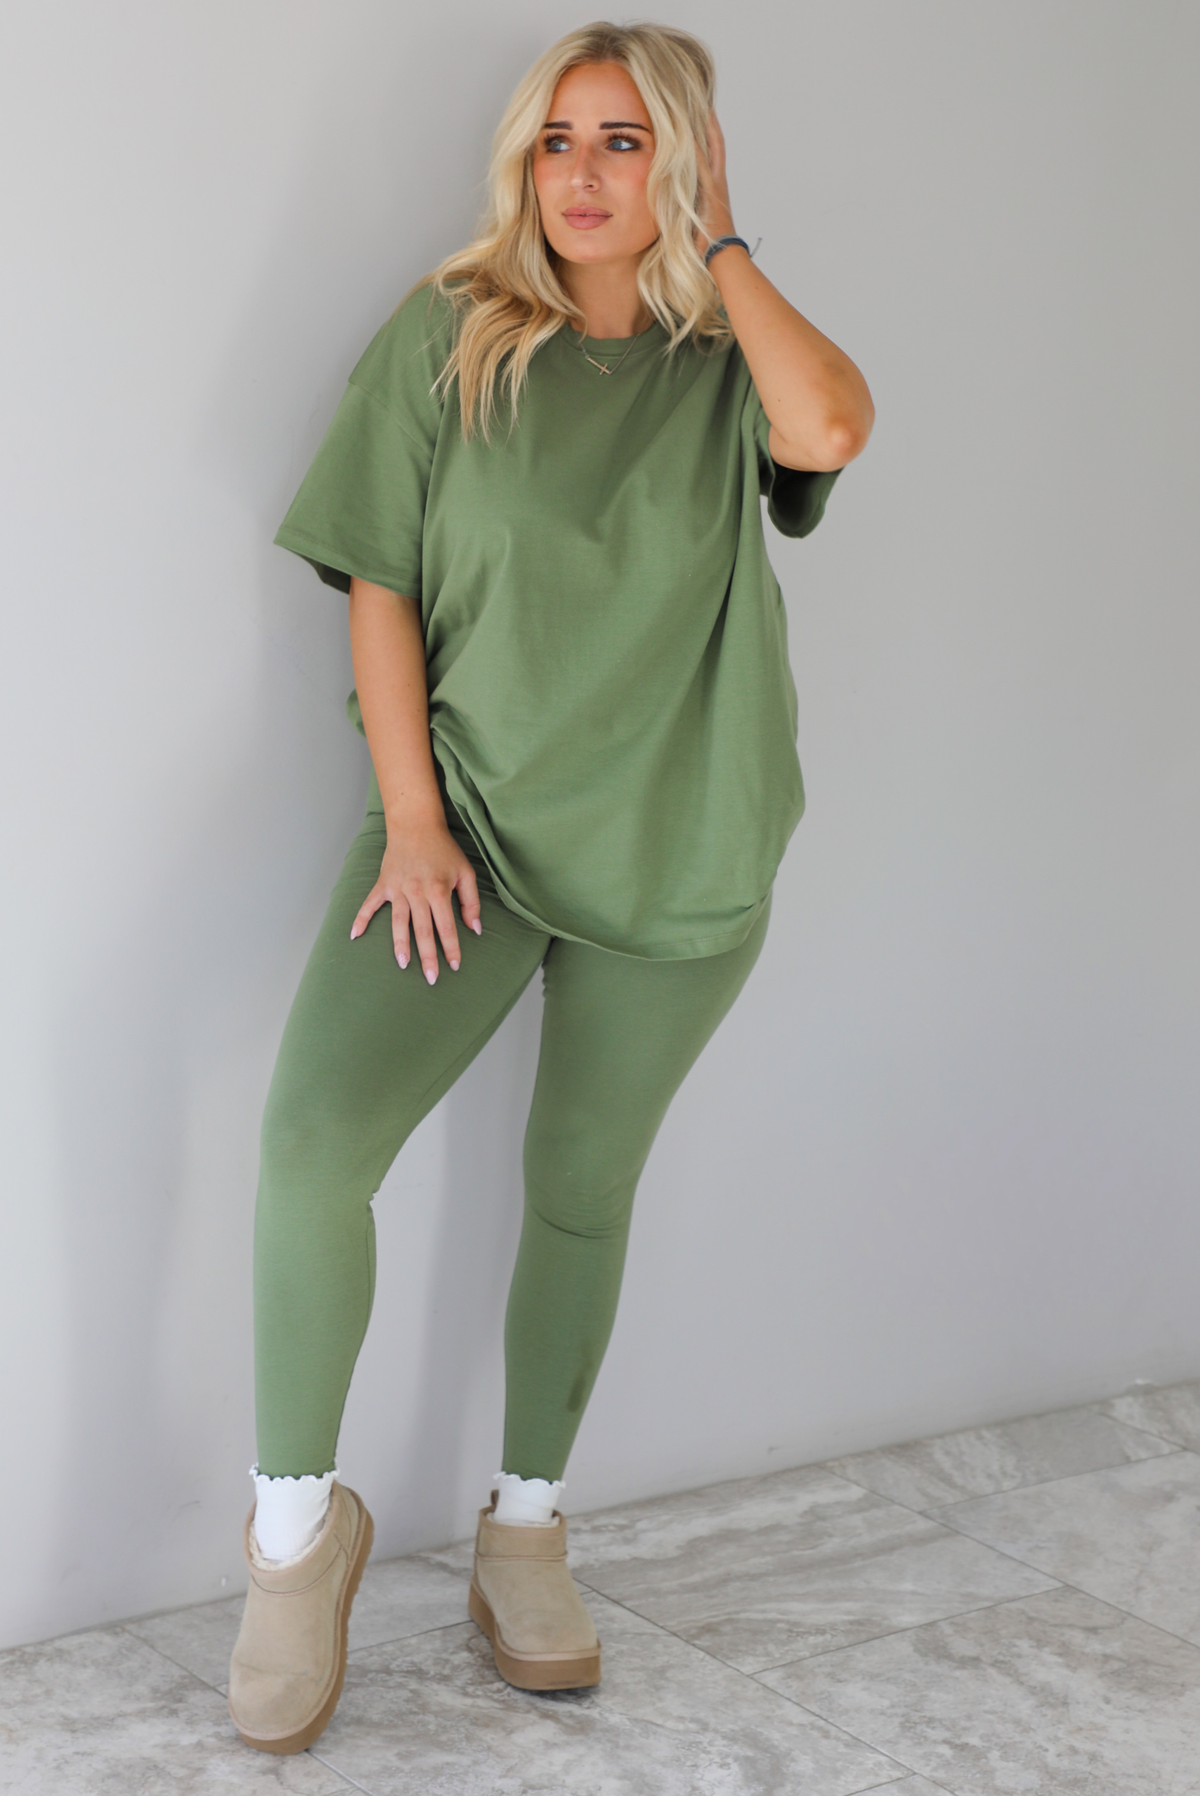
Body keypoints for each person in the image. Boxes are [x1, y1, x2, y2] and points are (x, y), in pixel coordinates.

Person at [227, 18, 873, 1755]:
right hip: (470, 836)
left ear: (686, 163)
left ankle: (527, 1530)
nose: (583, 177)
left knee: (579, 1189)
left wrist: (726, 246)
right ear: (523, 162)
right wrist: (412, 822)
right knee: (308, 1156)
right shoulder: (449, 338)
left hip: (682, 841)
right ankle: (295, 1544)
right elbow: (374, 579)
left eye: (627, 143)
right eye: (560, 142)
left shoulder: (726, 356)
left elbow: (837, 422)